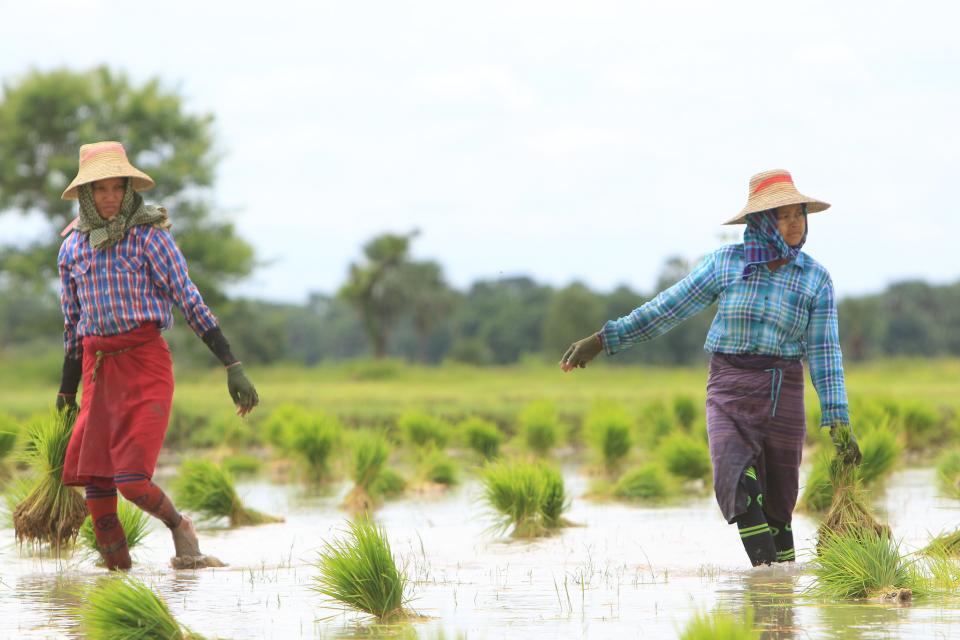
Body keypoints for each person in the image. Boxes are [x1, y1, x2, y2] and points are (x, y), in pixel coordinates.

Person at [560, 169, 860, 567]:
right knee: (737, 480)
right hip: (729, 388)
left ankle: (779, 603)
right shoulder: (725, 264)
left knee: (778, 503)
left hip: (781, 391)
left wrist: (838, 419)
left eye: (798, 214)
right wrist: (603, 340)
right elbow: (667, 309)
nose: (793, 223)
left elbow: (825, 353)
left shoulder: (815, 279)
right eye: (782, 215)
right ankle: (768, 579)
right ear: (760, 222)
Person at [55, 141, 259, 570]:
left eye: (117, 187)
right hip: (97, 367)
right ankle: (118, 585)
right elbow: (73, 326)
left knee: (130, 479)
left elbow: (189, 301)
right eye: (100, 189)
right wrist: (66, 391)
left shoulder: (150, 237)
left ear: (130, 190)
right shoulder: (72, 249)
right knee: (96, 480)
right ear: (86, 195)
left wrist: (232, 364)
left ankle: (179, 525)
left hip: (144, 364)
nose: (110, 197)